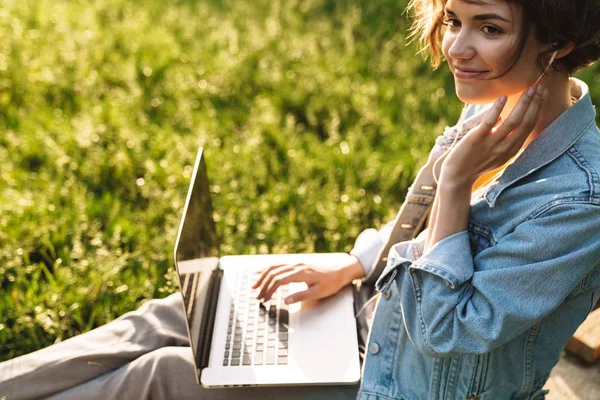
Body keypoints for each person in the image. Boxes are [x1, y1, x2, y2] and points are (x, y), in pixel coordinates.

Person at [1, 0, 599, 399]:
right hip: (372, 321)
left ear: (559, 41)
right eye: (454, 20)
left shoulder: (580, 200)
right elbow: (416, 236)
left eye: (489, 28)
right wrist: (355, 264)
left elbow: (447, 330)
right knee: (167, 317)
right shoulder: (498, 106)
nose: (457, 48)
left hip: (400, 382)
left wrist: (452, 186)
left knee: (167, 375)